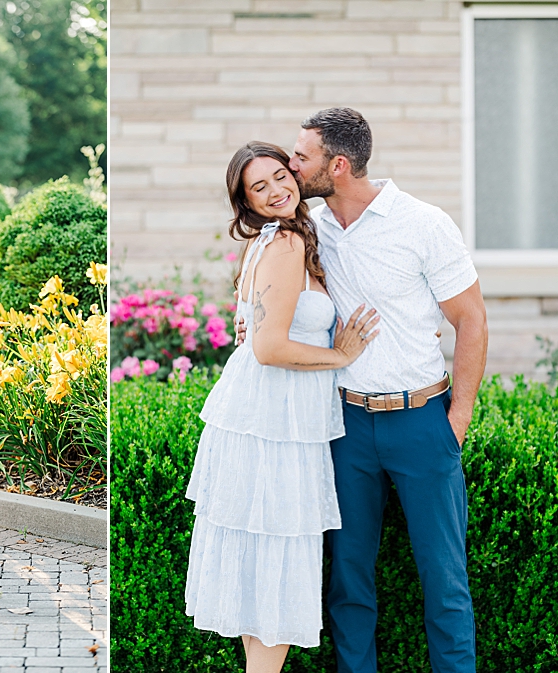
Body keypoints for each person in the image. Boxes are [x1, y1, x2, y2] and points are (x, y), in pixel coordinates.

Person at [237, 108, 488, 673]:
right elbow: (273, 287)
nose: (290, 165)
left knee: (445, 580)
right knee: (349, 579)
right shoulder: (310, 228)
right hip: (345, 425)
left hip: (422, 420)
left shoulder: (424, 223)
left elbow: (471, 320)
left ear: (339, 165)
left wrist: (457, 420)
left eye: (301, 158)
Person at [186, 141, 380, 673]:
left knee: (263, 577)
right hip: (274, 422)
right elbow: (269, 349)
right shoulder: (286, 243)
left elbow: (257, 331)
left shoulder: (289, 236)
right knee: (273, 575)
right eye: (259, 187)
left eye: (279, 175)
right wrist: (339, 354)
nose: (276, 190)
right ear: (245, 201)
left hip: (271, 417)